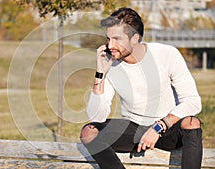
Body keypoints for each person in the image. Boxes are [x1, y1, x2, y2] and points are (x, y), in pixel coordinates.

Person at [80, 7, 203, 169]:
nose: (110, 45)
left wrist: (160, 126)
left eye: (117, 39)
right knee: (88, 132)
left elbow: (193, 102)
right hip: (134, 130)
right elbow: (97, 117)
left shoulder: (167, 54)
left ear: (134, 39)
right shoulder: (110, 64)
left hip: (168, 129)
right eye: (108, 38)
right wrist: (100, 73)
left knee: (192, 122)